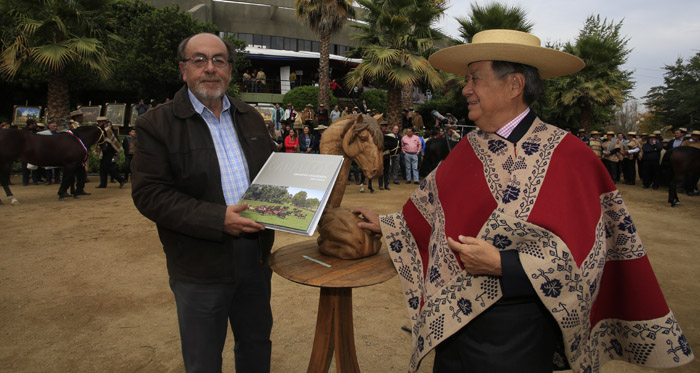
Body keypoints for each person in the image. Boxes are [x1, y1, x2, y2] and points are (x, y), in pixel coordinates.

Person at [352, 29, 692, 372]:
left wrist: (505, 265)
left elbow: (589, 257)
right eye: (466, 79)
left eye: (475, 79)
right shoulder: (466, 150)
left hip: (518, 334)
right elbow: (429, 214)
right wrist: (385, 223)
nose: (466, 89)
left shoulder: (571, 156)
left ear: (514, 85)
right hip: (451, 332)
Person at [130, 33, 276, 372]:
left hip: (254, 257)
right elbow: (150, 194)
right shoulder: (156, 123)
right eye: (199, 60)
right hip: (198, 263)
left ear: (229, 70)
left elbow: (271, 174)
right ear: (183, 70)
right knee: (203, 359)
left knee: (256, 344)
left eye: (219, 61)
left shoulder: (249, 116)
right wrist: (217, 218)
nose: (210, 69)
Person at [94, 118, 125, 189]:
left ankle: (121, 179)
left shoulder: (108, 130)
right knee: (102, 168)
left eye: (100, 122)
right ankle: (103, 184)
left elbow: (111, 140)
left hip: (109, 150)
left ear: (103, 122)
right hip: (103, 151)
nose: (99, 123)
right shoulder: (100, 130)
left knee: (108, 167)